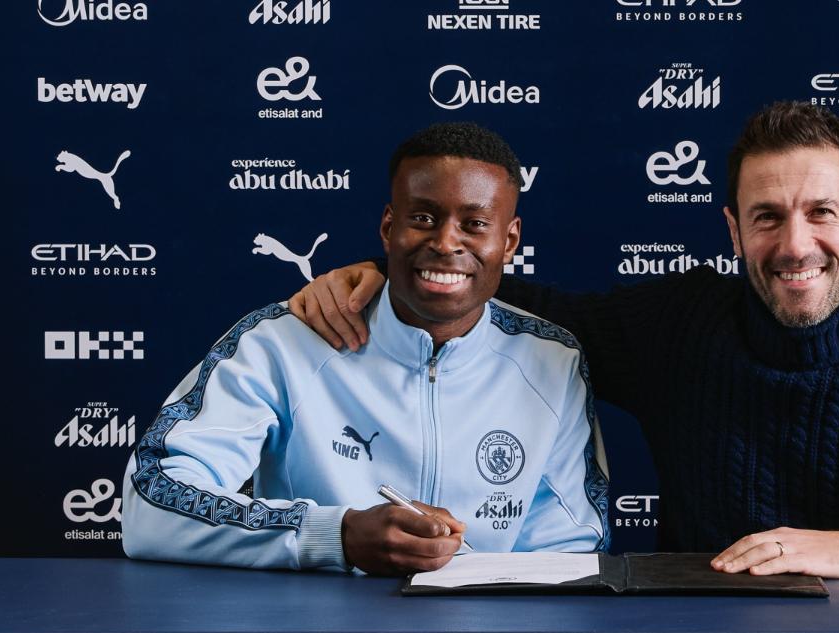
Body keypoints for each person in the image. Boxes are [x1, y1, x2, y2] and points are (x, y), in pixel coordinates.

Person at [289, 102, 839, 579]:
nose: (795, 244)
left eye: (822, 212)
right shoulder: (681, 323)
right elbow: (517, 297)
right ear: (735, 229)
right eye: (768, 217)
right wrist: (387, 268)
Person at [122, 122, 609, 575]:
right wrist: (337, 534)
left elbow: (571, 552)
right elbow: (151, 504)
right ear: (387, 228)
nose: (445, 242)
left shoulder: (552, 360)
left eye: (475, 223)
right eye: (423, 217)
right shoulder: (283, 342)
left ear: (510, 241)